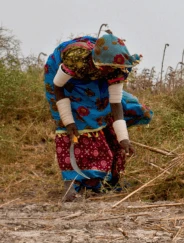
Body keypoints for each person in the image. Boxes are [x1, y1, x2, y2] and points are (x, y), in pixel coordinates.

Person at [44, 33, 153, 201]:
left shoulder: (116, 68)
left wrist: (123, 139)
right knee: (74, 127)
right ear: (99, 62)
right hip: (62, 78)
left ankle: (96, 183)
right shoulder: (76, 59)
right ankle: (71, 186)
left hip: (94, 77)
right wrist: (68, 120)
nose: (112, 71)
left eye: (113, 69)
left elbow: (115, 104)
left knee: (101, 116)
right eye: (108, 68)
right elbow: (58, 87)